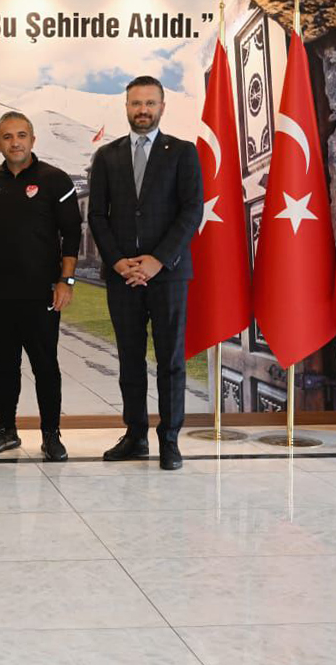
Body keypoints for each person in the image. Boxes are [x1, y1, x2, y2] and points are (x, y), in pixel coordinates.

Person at [88, 75, 202, 471]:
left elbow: (192, 211)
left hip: (168, 275)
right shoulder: (107, 156)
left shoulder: (183, 152)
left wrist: (158, 260)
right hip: (123, 276)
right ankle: (135, 436)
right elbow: (97, 215)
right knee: (130, 360)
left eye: (150, 103)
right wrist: (118, 261)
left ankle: (169, 440)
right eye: (136, 103)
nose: (143, 110)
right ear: (126, 107)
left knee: (171, 360)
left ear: (162, 107)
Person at [0, 111, 83, 462]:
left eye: (21, 135)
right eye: (7, 137)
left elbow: (72, 235)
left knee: (45, 365)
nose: (15, 142)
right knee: (5, 366)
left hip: (42, 293)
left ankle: (51, 434)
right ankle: (6, 430)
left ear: (33, 140)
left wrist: (66, 280)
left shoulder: (55, 179)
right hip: (0, 293)